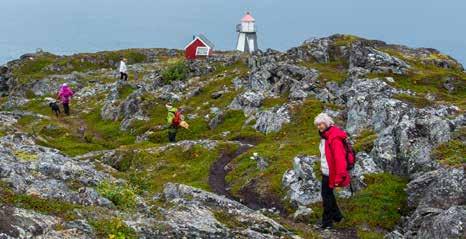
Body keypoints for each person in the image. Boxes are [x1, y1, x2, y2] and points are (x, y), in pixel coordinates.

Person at [314, 112, 351, 229]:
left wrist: (340, 176)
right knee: (328, 194)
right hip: (326, 171)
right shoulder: (326, 136)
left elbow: (339, 159)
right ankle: (337, 216)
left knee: (326, 196)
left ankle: (327, 223)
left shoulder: (334, 138)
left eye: (322, 124)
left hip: (331, 173)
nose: (319, 127)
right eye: (318, 125)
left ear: (327, 123)